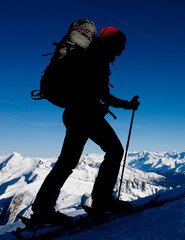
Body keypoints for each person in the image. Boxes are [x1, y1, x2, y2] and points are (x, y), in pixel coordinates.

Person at [30, 27, 140, 225]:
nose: (122, 50)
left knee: (98, 154)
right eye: (120, 46)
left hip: (80, 113)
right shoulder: (97, 57)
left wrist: (124, 105)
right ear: (111, 43)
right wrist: (127, 105)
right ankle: (46, 210)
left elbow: (98, 92)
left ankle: (44, 209)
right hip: (84, 114)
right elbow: (102, 94)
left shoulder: (94, 55)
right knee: (82, 158)